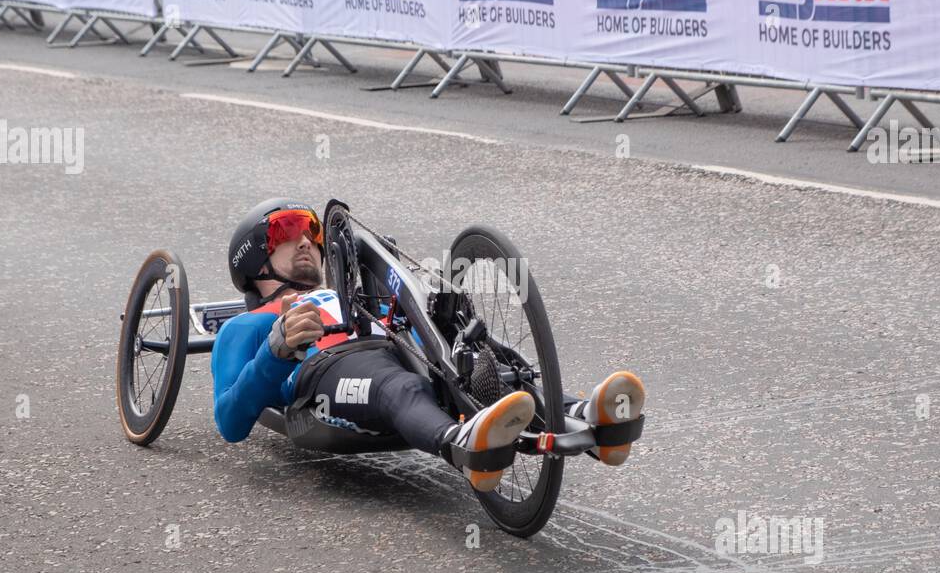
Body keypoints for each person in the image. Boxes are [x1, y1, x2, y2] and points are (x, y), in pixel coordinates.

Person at [211, 199, 646, 491]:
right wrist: (275, 348)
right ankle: (461, 442)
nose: (306, 239)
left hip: (402, 348)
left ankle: (583, 416)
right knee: (395, 386)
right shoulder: (247, 325)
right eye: (285, 230)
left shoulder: (353, 293)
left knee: (483, 363)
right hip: (328, 370)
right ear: (252, 258)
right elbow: (230, 421)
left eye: (311, 229)